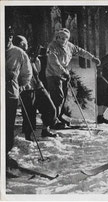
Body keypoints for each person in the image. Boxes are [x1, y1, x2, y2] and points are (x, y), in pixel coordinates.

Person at [46, 28, 101, 128]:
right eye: (60, 38)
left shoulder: (69, 46)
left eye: (65, 38)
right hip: (53, 74)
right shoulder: (52, 46)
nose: (62, 40)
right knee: (57, 97)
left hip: (64, 74)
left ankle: (60, 116)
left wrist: (92, 58)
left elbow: (81, 51)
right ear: (57, 37)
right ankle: (53, 121)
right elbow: (54, 62)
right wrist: (63, 72)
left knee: (63, 98)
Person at [12, 35, 63, 140]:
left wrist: (35, 60)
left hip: (38, 86)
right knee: (29, 113)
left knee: (50, 108)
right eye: (25, 44)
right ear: (21, 44)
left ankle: (46, 129)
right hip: (26, 88)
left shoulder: (29, 56)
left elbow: (38, 71)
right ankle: (28, 135)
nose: (27, 46)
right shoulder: (15, 56)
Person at [5, 26, 32, 169]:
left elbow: (27, 73)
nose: (5, 40)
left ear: (11, 37)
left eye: (8, 37)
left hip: (10, 96)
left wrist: (20, 86)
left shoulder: (19, 53)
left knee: (8, 127)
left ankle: (5, 156)